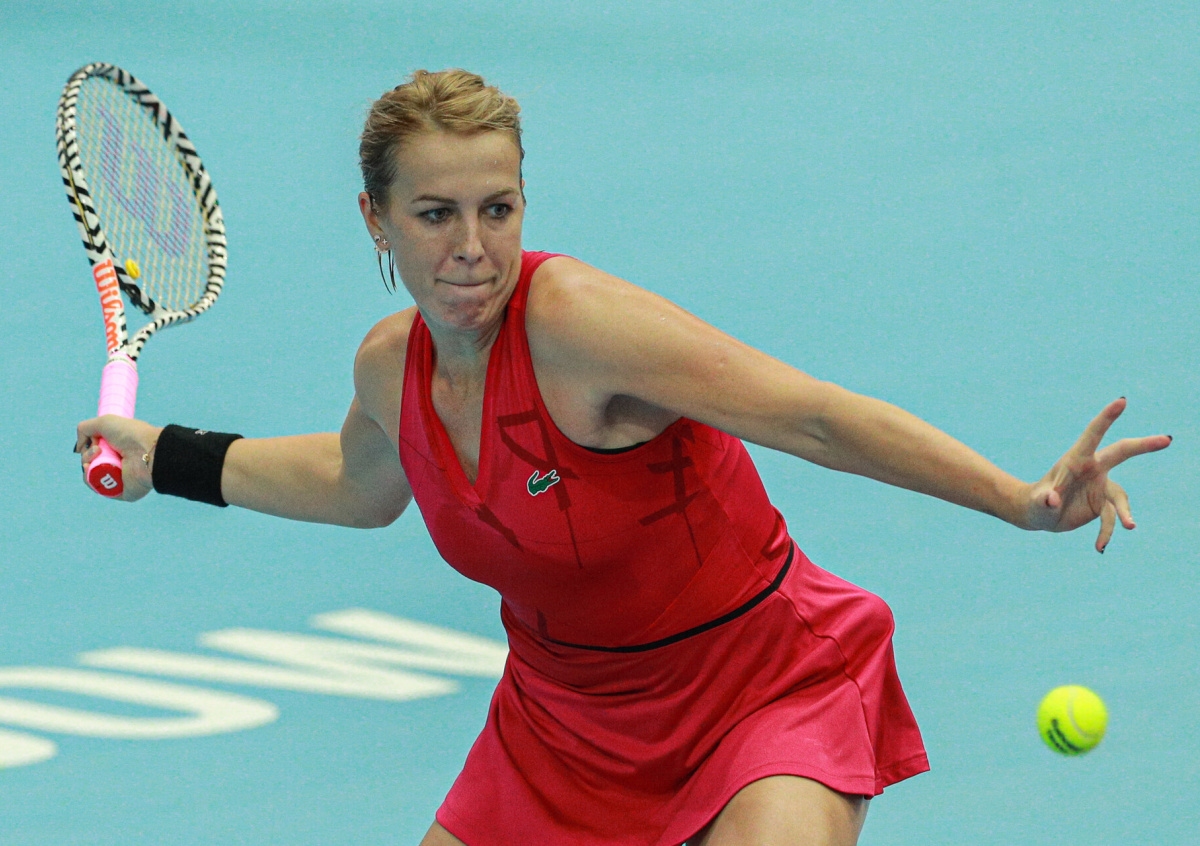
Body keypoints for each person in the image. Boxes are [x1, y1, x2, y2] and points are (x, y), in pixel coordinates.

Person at [76, 69, 1171, 846]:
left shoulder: (580, 327)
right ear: (375, 219)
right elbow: (358, 485)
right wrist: (168, 455)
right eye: (436, 214)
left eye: (498, 209)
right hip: (563, 726)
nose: (472, 249)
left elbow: (813, 418)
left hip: (759, 688)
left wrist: (1018, 500)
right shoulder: (388, 367)